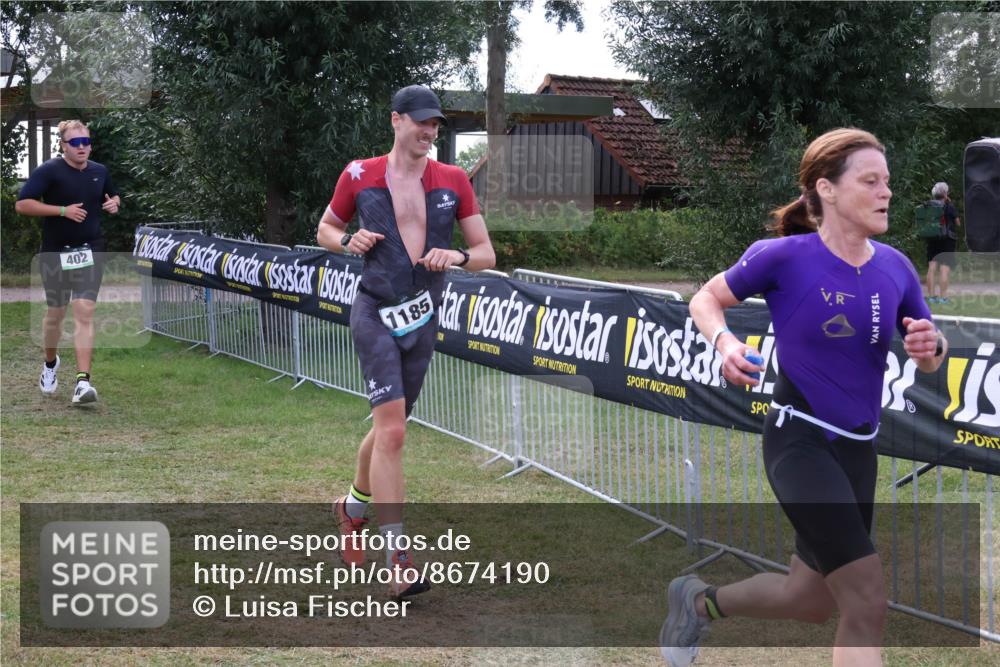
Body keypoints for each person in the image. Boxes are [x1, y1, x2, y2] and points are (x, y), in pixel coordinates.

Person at [665, 128, 947, 667]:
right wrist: (724, 342)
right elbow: (706, 297)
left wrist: (930, 345)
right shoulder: (783, 256)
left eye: (887, 181)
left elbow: (928, 355)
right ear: (828, 189)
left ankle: (698, 603)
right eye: (871, 181)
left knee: (811, 599)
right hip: (800, 440)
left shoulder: (896, 267)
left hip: (860, 449)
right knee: (866, 598)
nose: (886, 192)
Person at [316, 85, 495, 597]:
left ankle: (350, 509)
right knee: (393, 433)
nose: (430, 131)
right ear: (396, 121)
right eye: (421, 122)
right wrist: (348, 241)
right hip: (373, 311)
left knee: (389, 427)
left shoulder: (453, 179)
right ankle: (399, 559)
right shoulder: (360, 174)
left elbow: (485, 252)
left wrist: (456, 257)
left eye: (436, 123)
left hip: (421, 320)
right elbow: (326, 229)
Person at [15, 119, 121, 405]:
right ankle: (50, 364)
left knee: (84, 311)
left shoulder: (100, 171)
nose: (82, 147)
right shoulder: (49, 171)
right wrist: (62, 210)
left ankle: (82, 382)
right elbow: (23, 204)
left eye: (86, 142)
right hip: (56, 252)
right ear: (63, 144)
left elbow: (112, 197)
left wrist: (114, 204)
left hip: (91, 249)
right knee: (55, 317)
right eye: (75, 143)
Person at [923, 181, 961, 304]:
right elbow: (958, 223)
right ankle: (943, 298)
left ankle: (931, 297)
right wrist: (949, 203)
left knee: (932, 268)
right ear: (945, 194)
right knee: (944, 269)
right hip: (947, 241)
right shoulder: (949, 206)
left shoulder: (928, 206)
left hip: (932, 239)